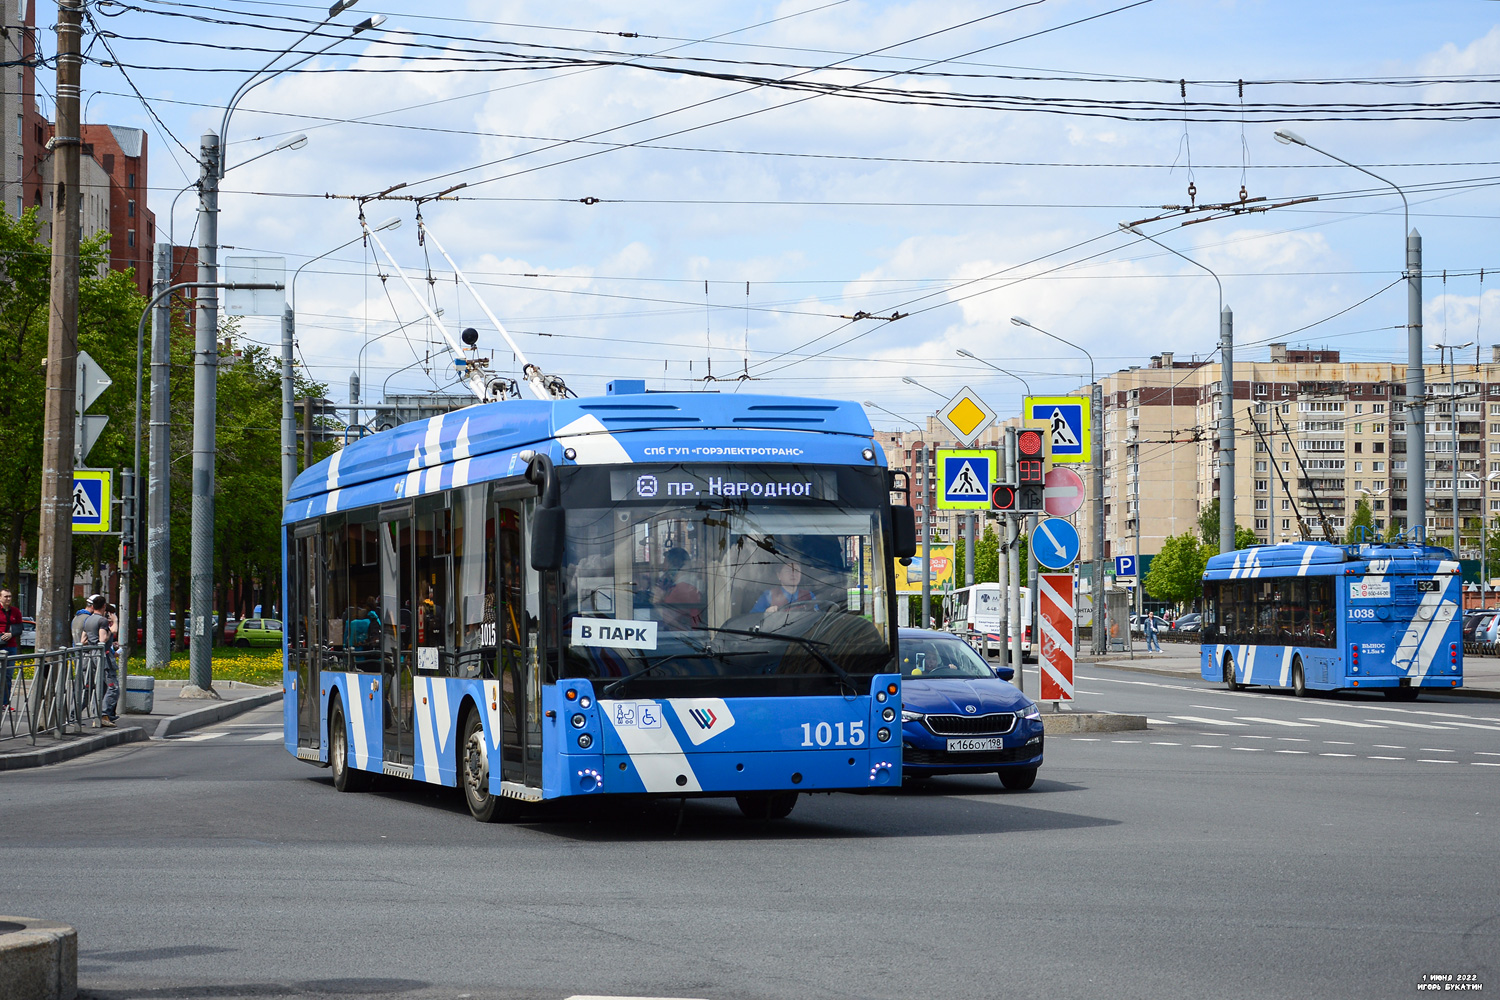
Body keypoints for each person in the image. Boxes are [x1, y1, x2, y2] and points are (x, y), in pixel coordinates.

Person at [72, 595, 117, 727]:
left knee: (89, 688)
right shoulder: (102, 621)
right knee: (113, 687)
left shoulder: (87, 620)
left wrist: (92, 641)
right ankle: (103, 714)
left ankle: (74, 716)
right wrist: (112, 628)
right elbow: (102, 640)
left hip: (89, 658)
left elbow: (82, 641)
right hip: (102, 658)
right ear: (103, 606)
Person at [654, 547, 703, 630]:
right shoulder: (689, 584)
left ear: (675, 565)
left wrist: (657, 600)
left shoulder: (682, 588)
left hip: (683, 634)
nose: (664, 570)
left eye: (666, 566)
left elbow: (667, 617)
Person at [752, 558, 817, 614]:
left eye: (797, 571)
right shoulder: (768, 595)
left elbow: (817, 616)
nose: (793, 574)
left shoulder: (809, 595)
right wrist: (765, 613)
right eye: (788, 571)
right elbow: (753, 618)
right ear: (779, 575)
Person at [0, 588, 21, 713]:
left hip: (11, 646)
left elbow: (19, 627)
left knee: (8, 675)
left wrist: (11, 634)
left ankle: (5, 703)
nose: (8, 599)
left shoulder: (15, 611)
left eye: (10, 596)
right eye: (5, 596)